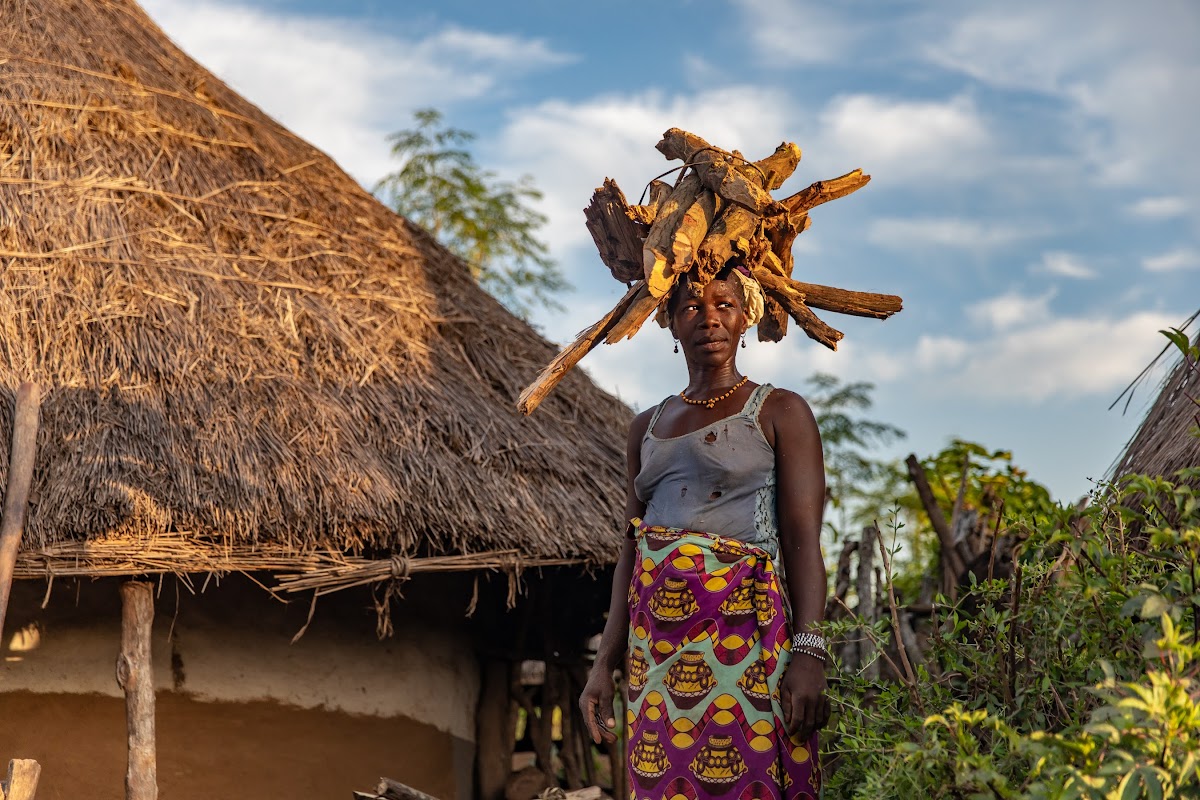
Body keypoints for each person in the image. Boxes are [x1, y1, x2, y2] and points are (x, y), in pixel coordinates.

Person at [579, 265, 830, 799]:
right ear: (670, 323)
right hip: (656, 648)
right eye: (692, 307)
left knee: (753, 775)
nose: (709, 319)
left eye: (724, 305)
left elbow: (803, 540)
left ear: (746, 317)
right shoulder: (644, 426)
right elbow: (632, 547)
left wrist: (809, 651)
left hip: (744, 634)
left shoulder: (779, 410)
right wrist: (605, 661)